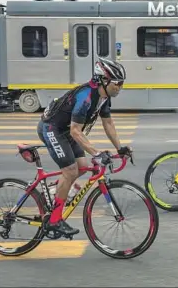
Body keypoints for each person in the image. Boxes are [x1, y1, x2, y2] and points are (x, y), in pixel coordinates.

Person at [37, 57, 132, 236]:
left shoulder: (104, 97)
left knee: (81, 168)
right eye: (117, 83)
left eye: (121, 83)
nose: (120, 87)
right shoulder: (86, 98)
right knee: (71, 171)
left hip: (65, 131)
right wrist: (96, 153)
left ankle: (53, 190)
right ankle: (55, 220)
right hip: (52, 128)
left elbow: (108, 123)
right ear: (104, 80)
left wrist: (120, 148)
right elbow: (75, 131)